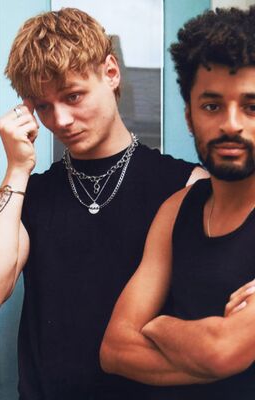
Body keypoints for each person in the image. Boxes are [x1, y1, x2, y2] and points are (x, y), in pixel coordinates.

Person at [0, 8, 205, 400]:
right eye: (43, 106)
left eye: (73, 96)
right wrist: (17, 169)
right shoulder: (32, 194)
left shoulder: (187, 184)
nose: (61, 120)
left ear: (110, 73)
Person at [100, 6, 255, 399]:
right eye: (212, 106)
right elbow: (115, 349)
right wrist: (202, 343)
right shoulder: (177, 209)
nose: (231, 124)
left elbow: (222, 352)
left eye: (251, 107)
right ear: (188, 116)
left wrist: (157, 325)